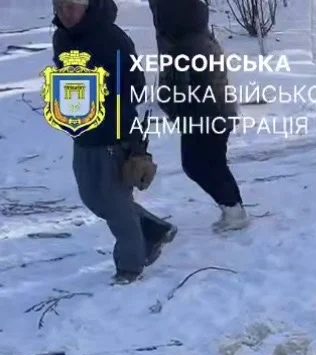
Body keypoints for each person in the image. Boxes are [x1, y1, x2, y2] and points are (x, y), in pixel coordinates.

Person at [53, 0, 176, 284]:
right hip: (81, 129)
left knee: (113, 201)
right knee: (93, 197)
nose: (64, 13)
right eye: (58, 7)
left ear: (88, 6)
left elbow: (134, 87)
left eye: (70, 6)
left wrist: (128, 131)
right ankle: (154, 229)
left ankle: (130, 266)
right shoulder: (61, 36)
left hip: (112, 131)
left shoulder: (112, 38)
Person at [147, 0, 249, 233]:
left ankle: (234, 210)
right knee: (214, 164)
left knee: (196, 165)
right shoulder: (197, 36)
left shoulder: (183, 46)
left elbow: (177, 93)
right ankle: (233, 209)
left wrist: (169, 106)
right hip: (215, 114)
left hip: (204, 117)